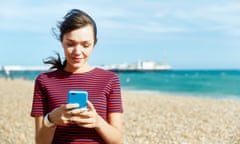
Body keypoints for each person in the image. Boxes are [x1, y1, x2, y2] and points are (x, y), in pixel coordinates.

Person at [30, 9, 123, 144]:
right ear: (62, 42)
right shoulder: (44, 81)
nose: (77, 52)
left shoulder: (110, 80)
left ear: (94, 44)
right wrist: (51, 120)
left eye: (85, 45)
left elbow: (117, 140)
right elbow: (40, 142)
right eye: (70, 44)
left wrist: (97, 122)